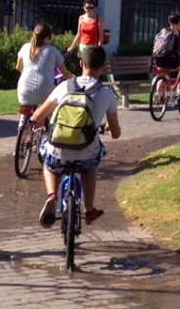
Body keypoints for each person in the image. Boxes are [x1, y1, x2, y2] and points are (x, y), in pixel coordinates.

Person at [31, 46, 121, 227]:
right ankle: (89, 210)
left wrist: (41, 122)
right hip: (86, 152)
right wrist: (109, 129)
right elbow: (116, 133)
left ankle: (52, 196)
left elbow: (36, 117)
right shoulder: (107, 94)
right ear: (103, 67)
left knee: (48, 159)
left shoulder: (64, 86)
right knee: (91, 164)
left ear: (81, 63)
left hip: (59, 150)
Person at [16, 23, 73, 107]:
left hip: (24, 89)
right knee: (53, 112)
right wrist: (75, 80)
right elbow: (65, 74)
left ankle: (24, 118)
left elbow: (18, 67)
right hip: (45, 90)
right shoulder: (52, 51)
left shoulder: (25, 47)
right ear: (48, 37)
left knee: (25, 110)